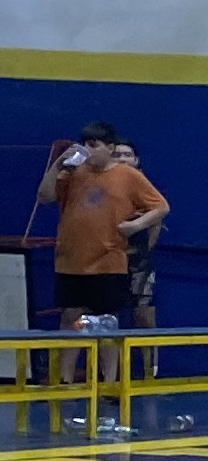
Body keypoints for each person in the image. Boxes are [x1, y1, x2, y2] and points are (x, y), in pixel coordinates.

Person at [36, 123, 167, 424]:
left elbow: (160, 206)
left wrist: (135, 226)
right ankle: (65, 381)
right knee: (71, 317)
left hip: (107, 261)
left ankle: (110, 382)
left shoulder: (127, 176)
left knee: (108, 322)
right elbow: (43, 196)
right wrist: (58, 163)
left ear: (109, 147)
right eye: (86, 144)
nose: (90, 150)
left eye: (95, 145)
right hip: (70, 260)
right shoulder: (73, 174)